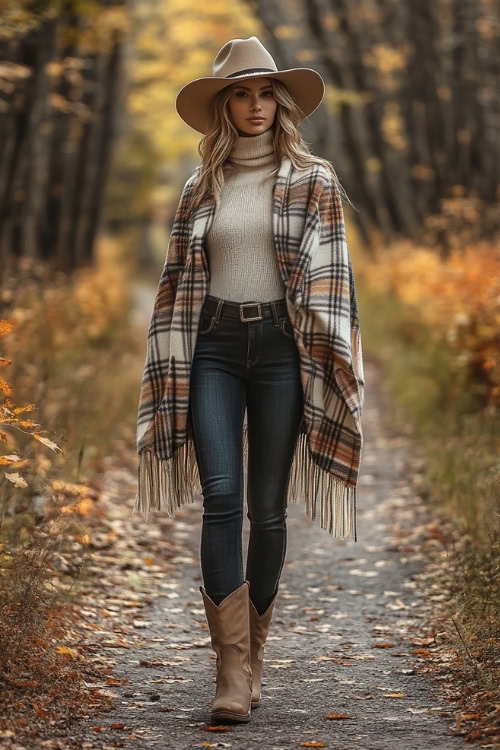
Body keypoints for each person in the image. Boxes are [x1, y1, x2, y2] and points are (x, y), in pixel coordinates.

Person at [134, 36, 365, 724]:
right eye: (242, 93)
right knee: (222, 497)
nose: (256, 106)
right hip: (212, 346)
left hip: (282, 349)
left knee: (267, 509)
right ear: (223, 105)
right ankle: (229, 669)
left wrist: (331, 362)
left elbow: (333, 282)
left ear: (282, 103)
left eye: (267, 93)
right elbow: (176, 288)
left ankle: (256, 652)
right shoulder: (198, 186)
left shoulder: (315, 180)